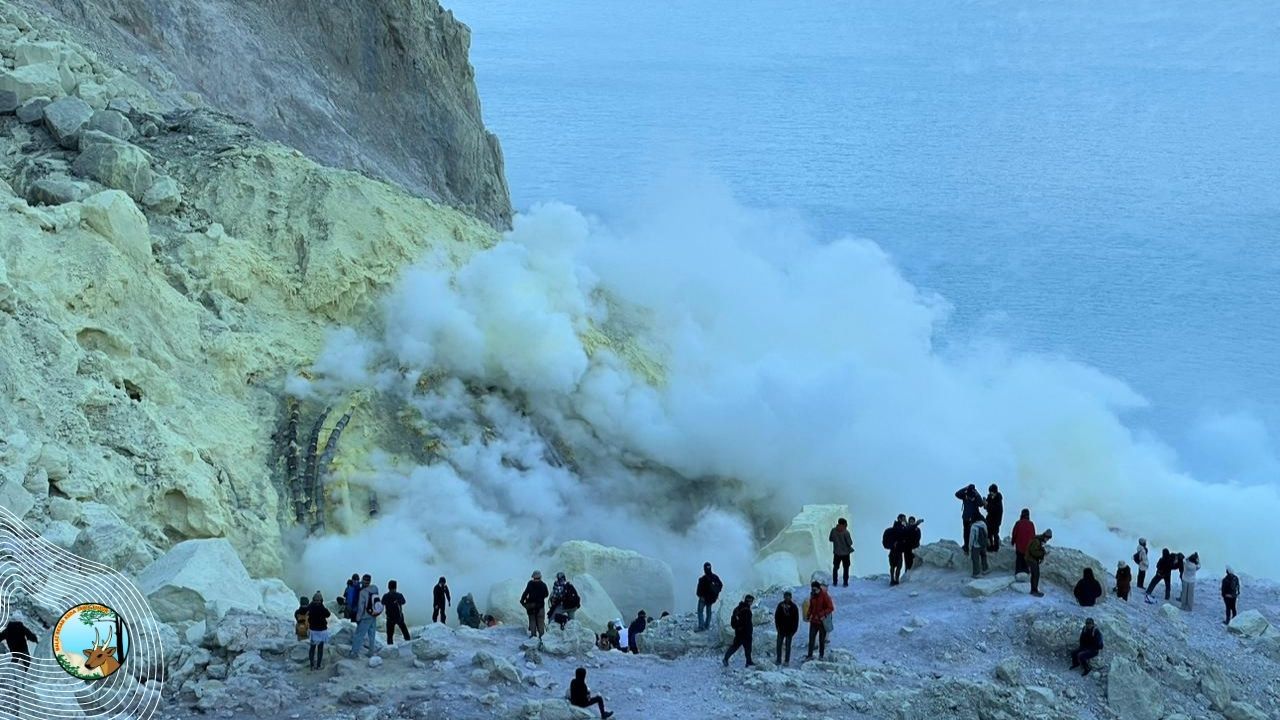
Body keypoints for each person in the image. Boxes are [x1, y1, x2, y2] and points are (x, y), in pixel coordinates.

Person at [349, 574, 381, 658]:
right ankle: (371, 652)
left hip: (365, 616)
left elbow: (361, 607)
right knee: (372, 635)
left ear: (363, 580)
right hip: (373, 614)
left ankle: (354, 653)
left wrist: (358, 618)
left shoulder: (363, 592)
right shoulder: (375, 588)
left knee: (358, 635)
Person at [804, 581, 835, 661]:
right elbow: (811, 606)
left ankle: (821, 655)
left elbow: (830, 607)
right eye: (812, 589)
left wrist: (822, 614)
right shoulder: (813, 595)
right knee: (811, 638)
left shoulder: (824, 595)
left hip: (822, 622)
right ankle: (809, 655)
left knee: (821, 640)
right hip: (814, 621)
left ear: (818, 589)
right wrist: (808, 614)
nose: (813, 591)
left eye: (814, 590)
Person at [723, 595, 755, 667]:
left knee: (736, 646)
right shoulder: (746, 610)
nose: (752, 603)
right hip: (745, 633)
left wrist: (738, 628)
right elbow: (746, 623)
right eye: (751, 601)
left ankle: (726, 658)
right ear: (749, 601)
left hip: (739, 632)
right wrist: (748, 631)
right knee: (747, 648)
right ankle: (748, 662)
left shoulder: (737, 608)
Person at [954, 484, 986, 552]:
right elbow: (957, 494)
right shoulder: (965, 495)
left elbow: (980, 504)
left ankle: (982, 543)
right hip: (967, 517)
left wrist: (977, 494)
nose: (971, 498)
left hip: (975, 516)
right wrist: (966, 488)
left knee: (985, 524)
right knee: (966, 532)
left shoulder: (975, 495)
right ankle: (966, 546)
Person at [305, 591, 331, 670]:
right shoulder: (322, 608)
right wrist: (322, 605)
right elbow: (328, 614)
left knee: (312, 648)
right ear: (321, 600)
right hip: (322, 631)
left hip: (313, 630)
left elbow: (306, 612)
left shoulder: (310, 607)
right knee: (320, 649)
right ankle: (318, 665)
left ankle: (312, 665)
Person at [520, 571, 550, 639]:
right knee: (540, 622)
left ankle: (533, 636)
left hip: (531, 606)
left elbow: (525, 593)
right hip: (540, 606)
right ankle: (541, 637)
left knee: (532, 620)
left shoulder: (530, 583)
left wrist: (522, 601)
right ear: (540, 577)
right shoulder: (543, 584)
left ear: (533, 577)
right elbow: (546, 594)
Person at [695, 562, 723, 632]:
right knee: (709, 612)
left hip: (703, 598)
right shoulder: (715, 577)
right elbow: (720, 585)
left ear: (704, 569)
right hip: (711, 599)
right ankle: (707, 626)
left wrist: (700, 595)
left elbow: (699, 590)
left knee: (700, 611)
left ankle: (701, 626)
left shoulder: (702, 579)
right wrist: (716, 593)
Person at [774, 591, 799, 666]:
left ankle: (786, 660)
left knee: (788, 646)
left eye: (788, 596)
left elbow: (796, 619)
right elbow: (776, 617)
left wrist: (794, 630)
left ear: (791, 597)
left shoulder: (794, 607)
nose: (787, 598)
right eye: (786, 596)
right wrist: (777, 627)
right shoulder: (780, 605)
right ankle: (778, 660)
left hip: (789, 630)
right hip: (781, 629)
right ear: (784, 597)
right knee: (779, 645)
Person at [1026, 530, 1052, 597]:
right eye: (1047, 538)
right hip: (1031, 559)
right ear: (1045, 536)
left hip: (1033, 559)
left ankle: (1034, 589)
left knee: (1036, 574)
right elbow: (1033, 551)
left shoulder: (1039, 540)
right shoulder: (1037, 541)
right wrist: (1042, 554)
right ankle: (1034, 590)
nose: (1047, 540)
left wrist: (1043, 552)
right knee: (1035, 574)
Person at [383, 579, 409, 644]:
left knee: (389, 635)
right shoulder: (399, 595)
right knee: (405, 631)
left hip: (389, 618)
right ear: (396, 587)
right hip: (399, 617)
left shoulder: (386, 596)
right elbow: (404, 602)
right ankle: (409, 643)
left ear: (388, 587)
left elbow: (382, 603)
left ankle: (390, 647)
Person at [830, 518, 854, 587]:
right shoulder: (846, 532)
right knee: (846, 568)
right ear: (843, 524)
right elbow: (850, 543)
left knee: (835, 567)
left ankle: (835, 582)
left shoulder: (833, 530)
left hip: (836, 552)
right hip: (845, 554)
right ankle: (845, 583)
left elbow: (830, 539)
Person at [1011, 509, 1036, 576]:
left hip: (1019, 547)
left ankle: (1018, 573)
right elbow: (1033, 536)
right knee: (1026, 562)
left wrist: (1012, 542)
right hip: (1028, 548)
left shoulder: (1018, 523)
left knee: (1019, 561)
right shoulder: (1031, 524)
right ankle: (1026, 574)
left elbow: (1014, 534)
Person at [883, 515, 907, 585]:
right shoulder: (897, 529)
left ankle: (894, 580)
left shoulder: (899, 529)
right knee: (895, 566)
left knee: (896, 566)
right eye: (903, 519)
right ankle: (894, 580)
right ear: (899, 519)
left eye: (904, 519)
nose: (904, 520)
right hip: (895, 551)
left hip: (896, 551)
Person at [985, 484, 1004, 552]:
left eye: (992, 492)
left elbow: (995, 510)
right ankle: (990, 546)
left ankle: (996, 547)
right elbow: (988, 507)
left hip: (996, 520)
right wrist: (985, 504)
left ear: (995, 492)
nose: (990, 493)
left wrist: (987, 505)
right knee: (989, 533)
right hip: (989, 518)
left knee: (995, 534)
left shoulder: (998, 499)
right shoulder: (989, 497)